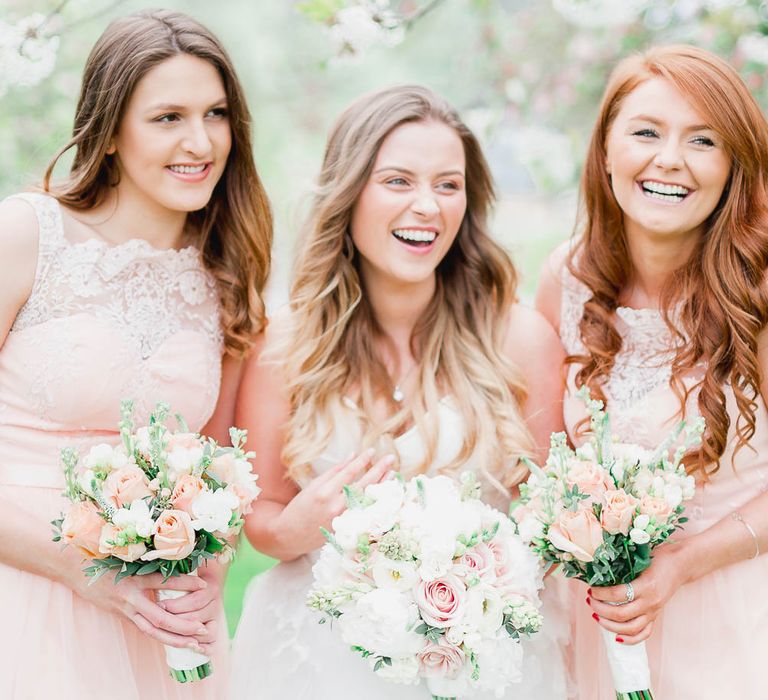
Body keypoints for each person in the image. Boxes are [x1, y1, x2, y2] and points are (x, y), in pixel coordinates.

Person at [229, 85, 569, 699]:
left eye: (448, 184)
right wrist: (300, 529)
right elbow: (264, 517)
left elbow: (550, 521)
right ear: (348, 193)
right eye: (397, 181)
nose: (428, 207)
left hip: (480, 660)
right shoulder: (287, 344)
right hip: (318, 655)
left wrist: (472, 591)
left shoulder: (518, 339)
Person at [0, 10, 272, 698]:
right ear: (111, 131)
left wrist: (206, 578)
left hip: (159, 629)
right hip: (23, 595)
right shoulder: (27, 235)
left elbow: (222, 474)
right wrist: (77, 568)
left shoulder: (228, 275)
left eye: (216, 114)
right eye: (168, 117)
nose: (201, 141)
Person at [536, 44, 768, 698]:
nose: (669, 158)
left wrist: (681, 566)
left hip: (733, 614)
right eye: (646, 132)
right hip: (604, 625)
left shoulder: (760, 295)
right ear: (606, 151)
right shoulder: (567, 279)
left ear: (733, 167)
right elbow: (540, 461)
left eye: (703, 140)